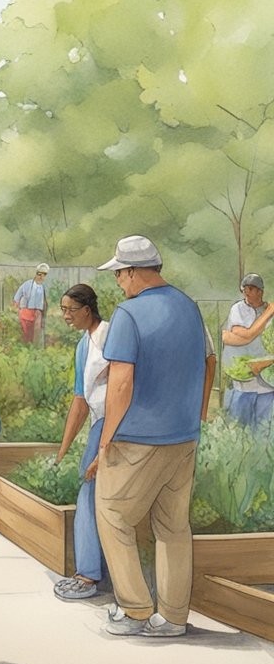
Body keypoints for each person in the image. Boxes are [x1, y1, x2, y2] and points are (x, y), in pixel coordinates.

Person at [91, 235, 215, 638]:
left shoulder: (128, 314)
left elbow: (121, 384)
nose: (117, 283)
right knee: (174, 527)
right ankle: (174, 617)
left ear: (131, 272)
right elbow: (209, 362)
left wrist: (106, 439)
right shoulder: (189, 307)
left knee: (113, 516)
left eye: (119, 275)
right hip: (183, 438)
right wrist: (197, 414)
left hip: (137, 438)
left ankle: (134, 611)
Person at [50, 284, 111, 601]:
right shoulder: (83, 346)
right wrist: (62, 450)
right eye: (62, 310)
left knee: (88, 492)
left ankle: (87, 576)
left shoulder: (111, 337)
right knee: (89, 489)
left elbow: (123, 391)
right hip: (98, 422)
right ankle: (94, 570)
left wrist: (102, 450)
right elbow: (80, 399)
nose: (65, 316)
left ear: (87, 309)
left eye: (70, 310)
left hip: (115, 424)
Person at [221, 273, 274, 430]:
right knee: (239, 426)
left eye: (251, 289)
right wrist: (269, 312)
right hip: (242, 378)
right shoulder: (238, 309)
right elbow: (246, 335)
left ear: (260, 292)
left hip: (267, 381)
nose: (247, 292)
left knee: (265, 428)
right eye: (245, 289)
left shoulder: (267, 310)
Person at [13, 263, 50, 345]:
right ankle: (27, 344)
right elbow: (19, 293)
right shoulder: (28, 284)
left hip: (38, 311)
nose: (41, 277)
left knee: (37, 329)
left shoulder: (42, 287)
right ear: (36, 274)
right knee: (26, 330)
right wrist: (16, 303)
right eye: (39, 274)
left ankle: (35, 346)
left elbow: (44, 300)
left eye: (43, 275)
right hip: (27, 309)